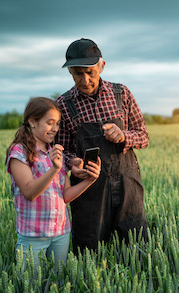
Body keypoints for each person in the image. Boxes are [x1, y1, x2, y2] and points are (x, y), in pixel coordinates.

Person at [56, 38, 149, 253]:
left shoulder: (122, 94)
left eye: (90, 72)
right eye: (78, 73)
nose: (85, 80)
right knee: (89, 250)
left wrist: (124, 136)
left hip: (127, 184)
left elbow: (143, 136)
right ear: (70, 72)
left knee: (134, 248)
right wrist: (74, 163)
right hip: (89, 188)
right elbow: (63, 150)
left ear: (102, 66)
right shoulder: (63, 104)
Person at [5, 97, 101, 269]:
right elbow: (29, 191)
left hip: (61, 233)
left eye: (57, 123)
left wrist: (90, 180)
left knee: (59, 283)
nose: (55, 129)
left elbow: (65, 196)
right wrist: (54, 169)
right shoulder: (19, 152)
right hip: (33, 235)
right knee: (30, 285)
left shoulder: (56, 153)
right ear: (32, 122)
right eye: (50, 123)